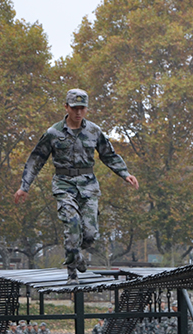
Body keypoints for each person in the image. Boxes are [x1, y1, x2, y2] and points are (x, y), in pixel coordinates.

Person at [13, 88, 139, 284]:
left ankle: (77, 254)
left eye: (82, 108)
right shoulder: (53, 133)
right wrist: (24, 186)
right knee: (72, 225)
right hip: (64, 185)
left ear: (86, 109)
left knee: (90, 233)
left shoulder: (94, 131)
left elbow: (108, 155)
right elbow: (36, 160)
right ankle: (72, 275)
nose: (78, 112)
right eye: (74, 108)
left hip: (88, 185)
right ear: (66, 107)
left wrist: (125, 173)